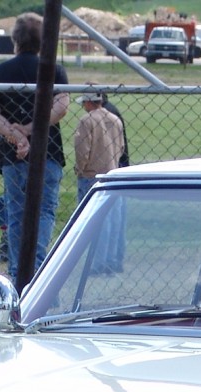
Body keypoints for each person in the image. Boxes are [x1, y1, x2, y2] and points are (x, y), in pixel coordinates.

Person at [0, 11, 69, 284]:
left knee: (16, 213)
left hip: (11, 155)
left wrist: (16, 134)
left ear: (15, 39)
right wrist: (33, 130)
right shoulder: (54, 69)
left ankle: (17, 273)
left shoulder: (0, 72)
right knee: (44, 211)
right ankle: (38, 270)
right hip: (48, 152)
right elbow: (61, 106)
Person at [72, 92, 127, 274]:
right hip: (112, 175)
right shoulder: (115, 120)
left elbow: (82, 150)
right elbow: (121, 148)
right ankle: (110, 261)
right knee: (113, 221)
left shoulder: (86, 121)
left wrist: (80, 169)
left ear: (88, 102)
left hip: (91, 175)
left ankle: (96, 262)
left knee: (93, 221)